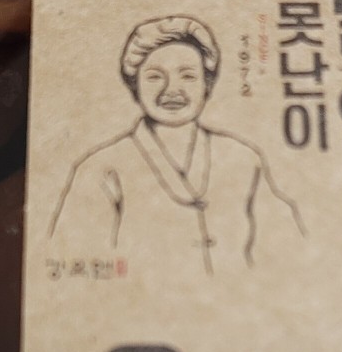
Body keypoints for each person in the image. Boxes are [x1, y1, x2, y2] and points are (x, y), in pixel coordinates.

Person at [50, 15, 301, 274]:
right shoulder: (101, 168)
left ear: (207, 84)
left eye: (188, 76)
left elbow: (292, 250)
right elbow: (72, 259)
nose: (172, 90)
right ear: (135, 86)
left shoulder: (244, 158)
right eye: (155, 77)